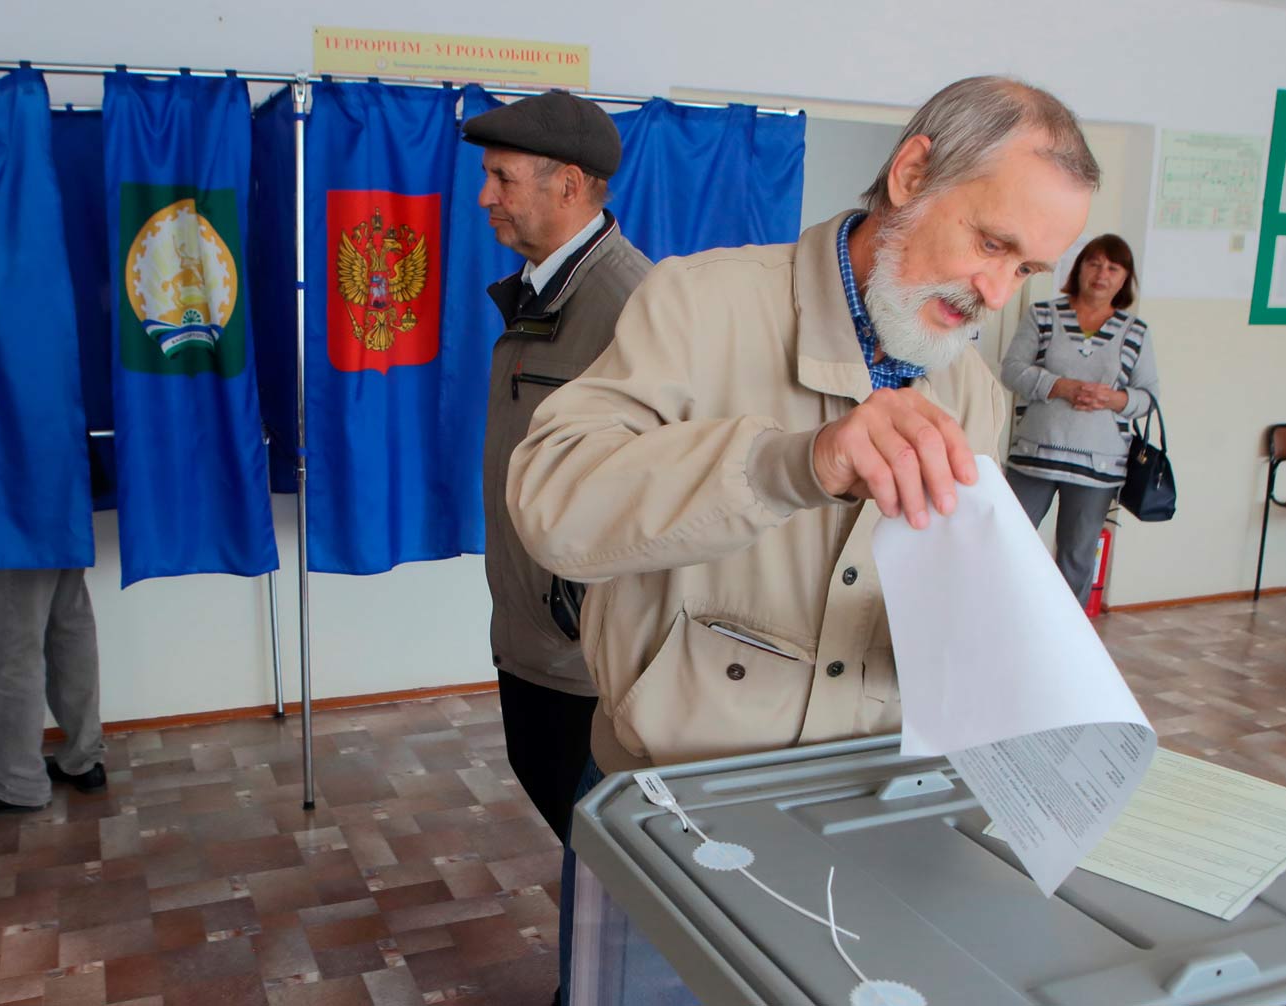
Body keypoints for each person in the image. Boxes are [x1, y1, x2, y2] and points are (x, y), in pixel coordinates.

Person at [506, 76, 1098, 1005]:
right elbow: (553, 503)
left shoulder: (974, 391)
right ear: (910, 173)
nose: (994, 292)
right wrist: (798, 463)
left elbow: (941, 610)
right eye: (992, 242)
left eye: (1025, 270)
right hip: (675, 812)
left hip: (874, 828)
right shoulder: (695, 303)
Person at [462, 92, 652, 845]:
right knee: (568, 819)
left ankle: (595, 969)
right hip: (534, 633)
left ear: (568, 185)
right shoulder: (548, 290)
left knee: (606, 853)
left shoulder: (630, 303)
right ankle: (587, 965)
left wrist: (574, 605)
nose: (485, 198)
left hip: (584, 654)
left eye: (502, 179)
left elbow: (659, 486)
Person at [1000, 234, 1159, 601]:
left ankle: (1066, 645)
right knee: (1007, 543)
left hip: (1099, 465)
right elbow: (1011, 370)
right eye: (1094, 263)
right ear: (1079, 268)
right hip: (1034, 455)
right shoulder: (1043, 315)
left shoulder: (1136, 332)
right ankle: (1002, 621)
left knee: (1076, 557)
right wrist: (1060, 386)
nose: (1102, 274)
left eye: (1113, 268)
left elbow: (1148, 398)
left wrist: (1114, 398)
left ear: (1124, 278)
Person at [0, 569, 105, 814]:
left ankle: (18, 783)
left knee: (12, 635)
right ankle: (83, 759)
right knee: (67, 614)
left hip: (20, 531)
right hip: (67, 530)